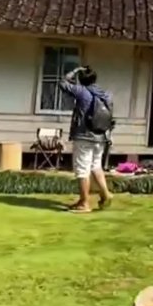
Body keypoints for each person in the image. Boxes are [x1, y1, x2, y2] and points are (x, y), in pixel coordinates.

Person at [60, 66, 114, 213]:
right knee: (96, 166)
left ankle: (84, 203)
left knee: (82, 170)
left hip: (84, 136)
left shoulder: (82, 91)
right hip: (101, 136)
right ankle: (105, 194)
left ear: (81, 79)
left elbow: (63, 83)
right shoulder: (106, 95)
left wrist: (75, 70)